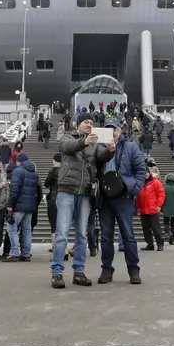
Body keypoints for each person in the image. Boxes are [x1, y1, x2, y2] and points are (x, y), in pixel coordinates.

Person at [52, 112, 106, 289]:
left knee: (82, 234)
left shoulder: (95, 142)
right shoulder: (68, 136)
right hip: (67, 189)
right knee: (62, 234)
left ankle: (79, 272)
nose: (89, 124)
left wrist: (111, 149)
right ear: (78, 124)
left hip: (84, 192)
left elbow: (102, 156)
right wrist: (85, 141)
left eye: (91, 122)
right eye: (86, 122)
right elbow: (67, 147)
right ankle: (57, 273)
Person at [95, 118, 146, 285]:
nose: (112, 133)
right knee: (106, 237)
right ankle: (106, 270)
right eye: (108, 130)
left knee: (128, 236)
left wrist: (134, 189)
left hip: (123, 197)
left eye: (114, 129)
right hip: (105, 197)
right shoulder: (99, 148)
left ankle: (133, 270)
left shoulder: (131, 147)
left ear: (120, 131)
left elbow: (140, 170)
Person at [4, 152, 39, 262]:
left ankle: (14, 252)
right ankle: (26, 254)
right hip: (30, 205)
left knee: (12, 228)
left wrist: (10, 205)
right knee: (27, 230)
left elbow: (14, 190)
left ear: (18, 161)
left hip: (19, 205)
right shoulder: (34, 173)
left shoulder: (18, 171)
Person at [137, 159, 166, 251]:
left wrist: (159, 205)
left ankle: (160, 243)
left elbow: (161, 194)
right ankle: (150, 244)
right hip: (143, 210)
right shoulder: (140, 184)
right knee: (146, 230)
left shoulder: (156, 182)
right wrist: (138, 207)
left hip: (153, 209)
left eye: (146, 172)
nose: (145, 174)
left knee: (155, 228)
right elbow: (138, 196)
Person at [161, 174, 174, 245]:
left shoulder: (164, 188)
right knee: (173, 224)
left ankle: (167, 231)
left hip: (165, 208)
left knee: (166, 222)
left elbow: (161, 198)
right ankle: (171, 240)